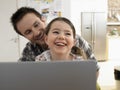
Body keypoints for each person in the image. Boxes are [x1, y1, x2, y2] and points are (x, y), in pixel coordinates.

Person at [35, 17, 100, 90]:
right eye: (56, 32)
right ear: (46, 39)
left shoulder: (80, 63)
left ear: (73, 42)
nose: (61, 37)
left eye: (68, 34)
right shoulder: (40, 59)